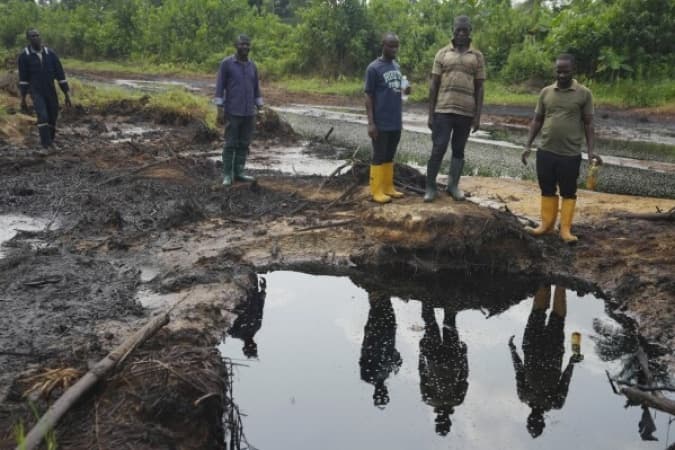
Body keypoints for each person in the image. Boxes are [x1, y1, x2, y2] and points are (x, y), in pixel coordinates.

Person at [521, 54, 602, 243]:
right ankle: (546, 226)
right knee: (546, 188)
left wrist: (591, 152)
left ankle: (565, 230)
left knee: (568, 190)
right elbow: (537, 120)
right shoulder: (546, 92)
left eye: (565, 71)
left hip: (570, 153)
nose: (562, 75)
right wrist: (527, 145)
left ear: (573, 70)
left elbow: (589, 124)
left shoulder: (584, 93)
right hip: (545, 150)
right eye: (559, 71)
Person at [424, 15, 485, 202]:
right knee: (438, 148)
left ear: (469, 33)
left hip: (465, 112)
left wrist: (477, 116)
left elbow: (480, 87)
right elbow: (434, 85)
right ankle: (430, 187)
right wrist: (431, 114)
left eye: (464, 31)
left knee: (458, 150)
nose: (460, 34)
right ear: (453, 32)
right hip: (443, 110)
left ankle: (453, 186)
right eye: (458, 30)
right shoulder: (442, 54)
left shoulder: (477, 56)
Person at [508, 285, 581, 438]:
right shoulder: (525, 396)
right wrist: (513, 351)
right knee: (539, 313)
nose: (534, 418)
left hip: (550, 353)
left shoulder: (554, 403)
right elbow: (519, 370)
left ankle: (557, 280)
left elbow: (566, 379)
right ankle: (549, 278)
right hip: (534, 348)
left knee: (555, 318)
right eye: (535, 421)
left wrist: (572, 362)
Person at [364, 32, 411, 204]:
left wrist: (407, 90)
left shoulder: (396, 67)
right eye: (391, 46)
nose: (394, 49)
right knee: (379, 154)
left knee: (390, 155)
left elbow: (400, 91)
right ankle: (376, 191)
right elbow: (368, 96)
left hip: (395, 120)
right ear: (383, 45)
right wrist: (371, 123)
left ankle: (388, 187)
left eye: (396, 46)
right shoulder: (373, 68)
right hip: (380, 121)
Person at [214, 34, 263, 186]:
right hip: (232, 111)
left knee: (244, 143)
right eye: (242, 44)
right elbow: (220, 87)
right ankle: (227, 174)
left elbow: (256, 88)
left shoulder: (252, 66)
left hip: (249, 112)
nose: (245, 47)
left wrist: (260, 107)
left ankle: (239, 172)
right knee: (230, 143)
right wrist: (219, 109)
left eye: (247, 44)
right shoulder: (227, 64)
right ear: (236, 45)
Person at [418, 303, 468, 436]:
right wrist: (421, 354)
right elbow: (422, 374)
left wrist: (463, 356)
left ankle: (445, 296)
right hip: (437, 358)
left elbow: (464, 376)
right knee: (431, 323)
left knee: (448, 322)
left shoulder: (456, 400)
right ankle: (426, 296)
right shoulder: (429, 399)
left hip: (450, 358)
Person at [18, 28, 71, 149]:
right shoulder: (24, 56)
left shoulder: (50, 54)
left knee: (53, 116)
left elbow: (60, 75)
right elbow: (23, 79)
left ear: (40, 37)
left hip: (50, 90)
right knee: (43, 116)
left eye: (37, 35)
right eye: (32, 36)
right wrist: (23, 98)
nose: (36, 38)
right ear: (28, 39)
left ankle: (51, 141)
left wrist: (66, 94)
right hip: (36, 91)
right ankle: (45, 144)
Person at [359, 291, 402, 408]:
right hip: (387, 332)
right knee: (384, 303)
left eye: (381, 393)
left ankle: (374, 283)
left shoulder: (368, 376)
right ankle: (380, 284)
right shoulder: (387, 372)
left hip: (376, 334)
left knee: (377, 305)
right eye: (384, 393)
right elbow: (395, 355)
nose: (383, 391)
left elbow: (366, 354)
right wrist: (396, 363)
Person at [228, 276, 266, 358]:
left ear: (244, 347)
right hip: (252, 288)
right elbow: (260, 308)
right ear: (255, 344)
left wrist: (236, 311)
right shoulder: (256, 326)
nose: (251, 344)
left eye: (250, 347)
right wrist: (263, 290)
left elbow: (225, 317)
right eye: (253, 346)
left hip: (238, 291)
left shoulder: (234, 333)